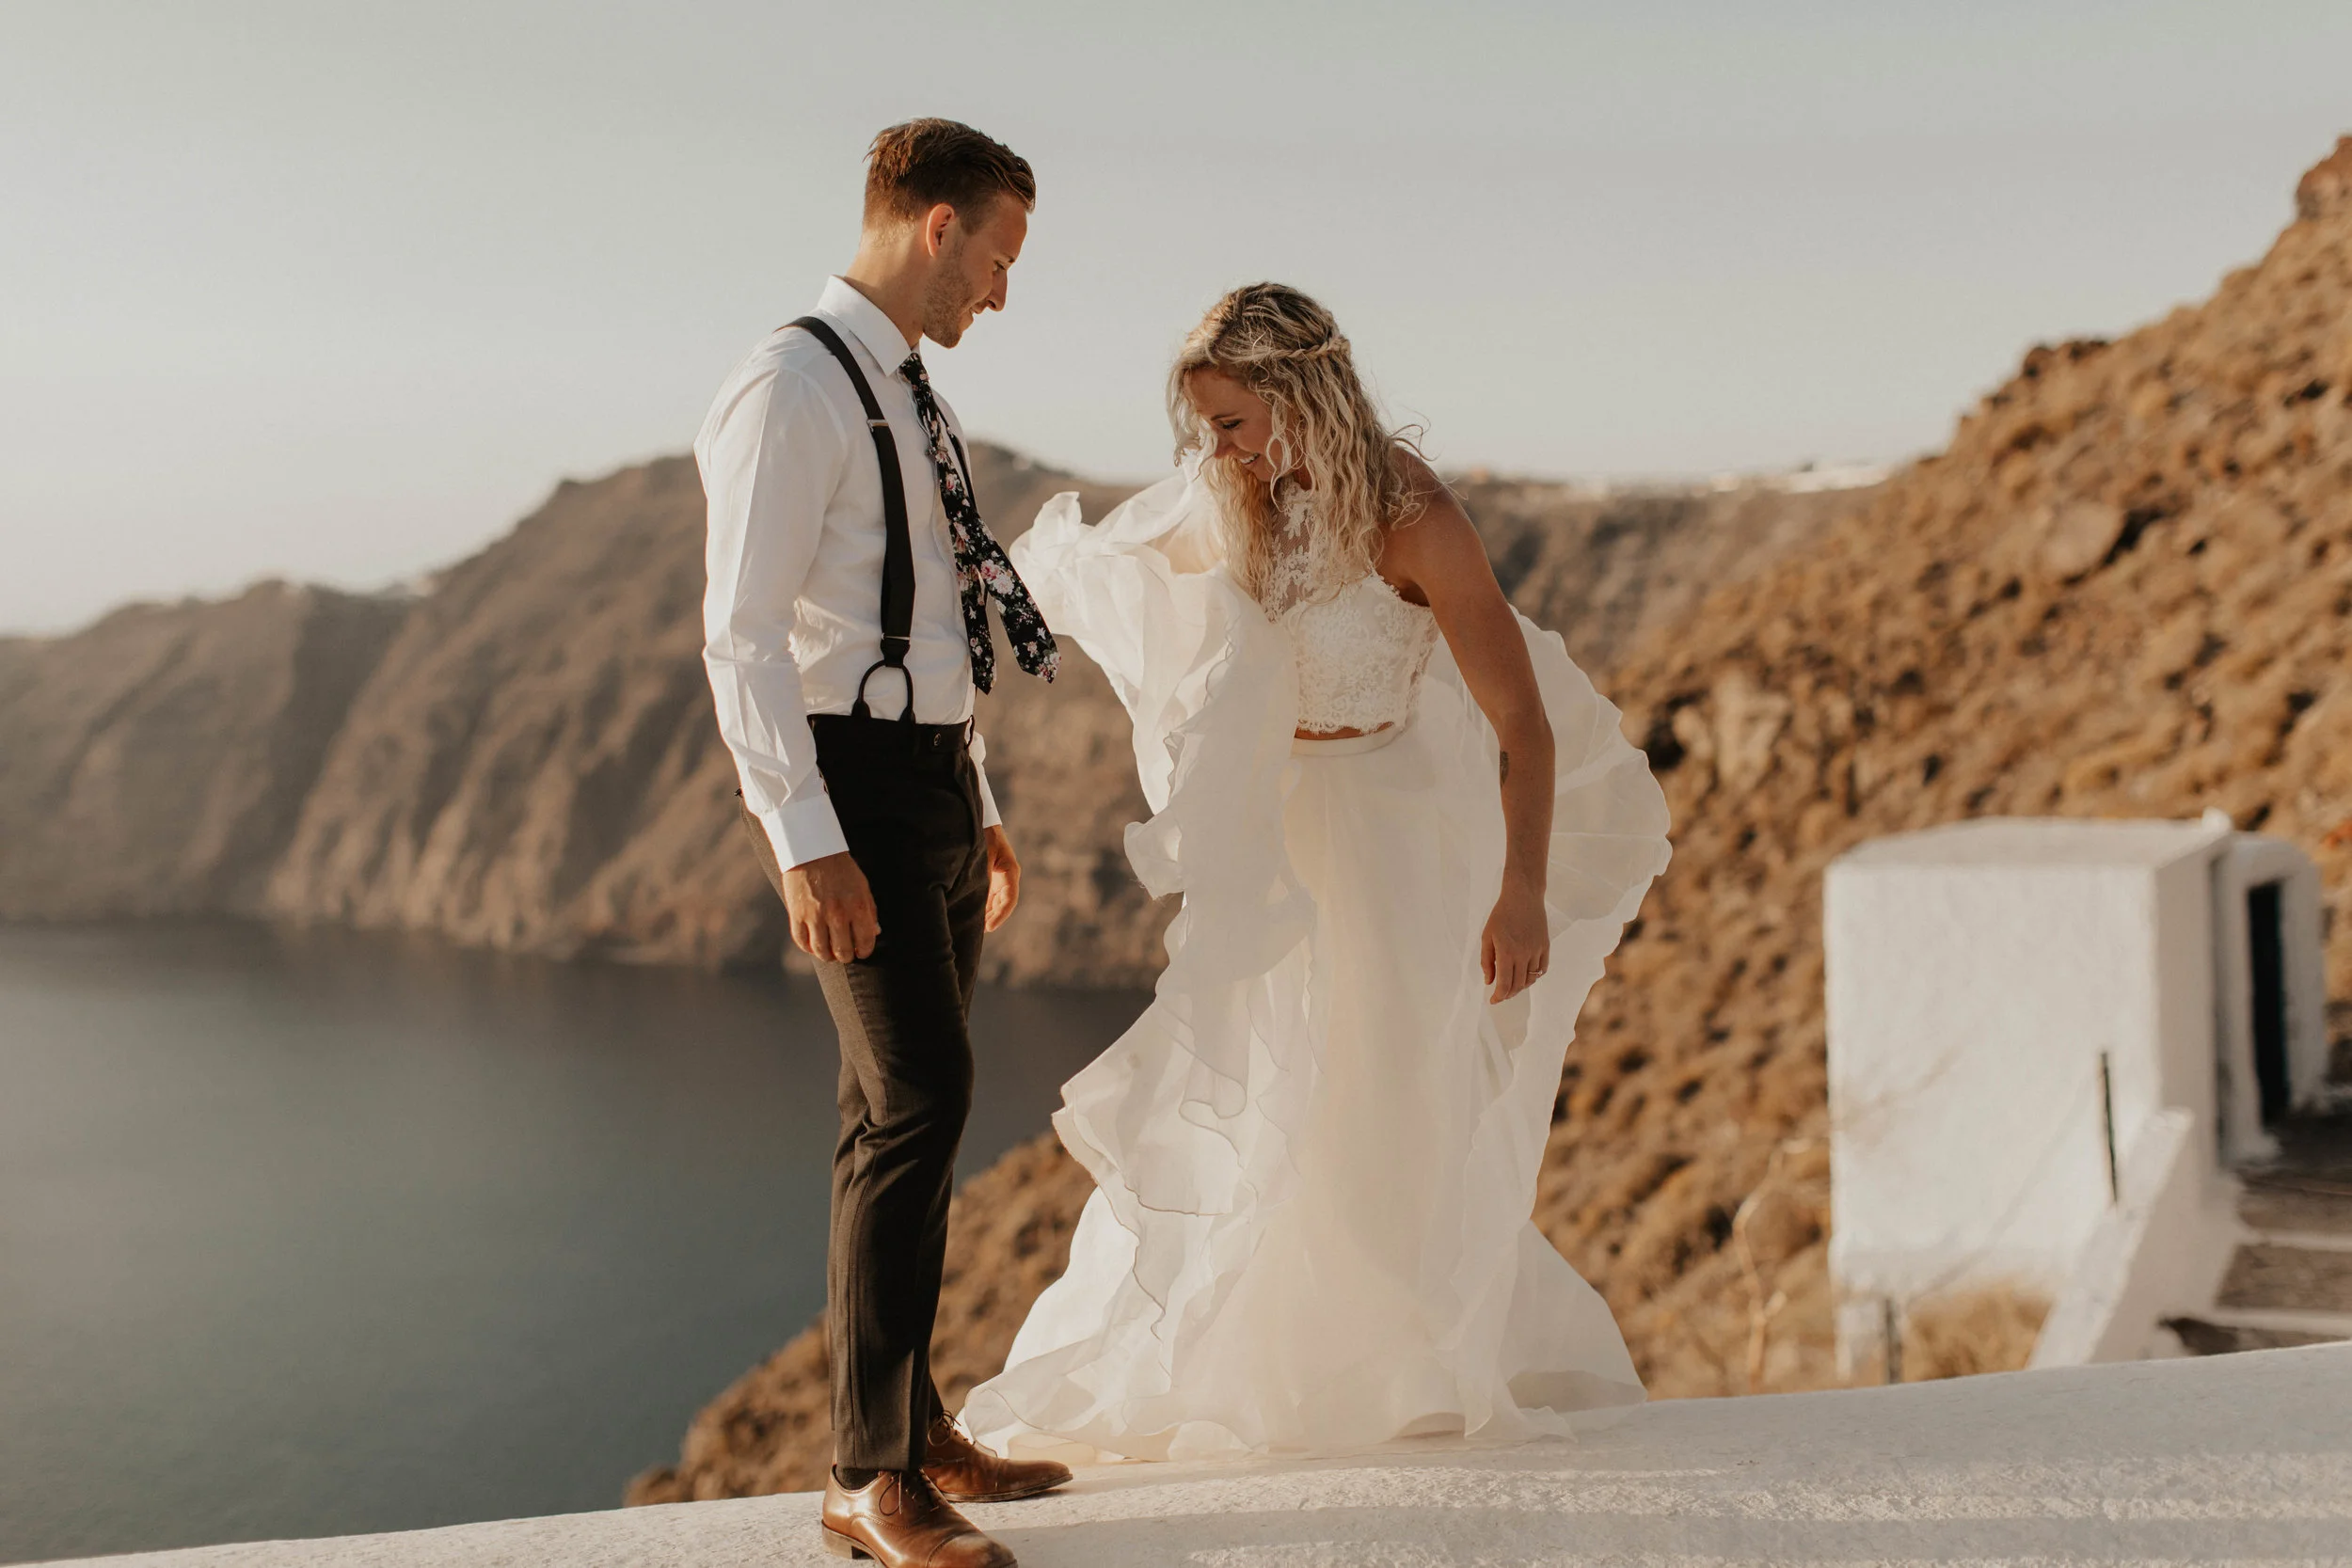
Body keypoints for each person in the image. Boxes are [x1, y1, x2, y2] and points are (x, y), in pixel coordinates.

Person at [960, 283, 1673, 1464]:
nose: (1213, 450)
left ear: (1297, 397)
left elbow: (1524, 726)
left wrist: (1522, 891)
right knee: (1260, 1103)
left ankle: (1397, 1373)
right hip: (1274, 846)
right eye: (1206, 427)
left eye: (1233, 421)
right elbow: (1120, 571)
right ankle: (1249, 1373)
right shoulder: (1240, 492)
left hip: (1391, 845)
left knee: (1383, 1106)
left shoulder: (1417, 520)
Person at [696, 119, 1073, 1568]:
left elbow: (931, 617)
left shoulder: (911, 393)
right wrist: (804, 839)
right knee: (923, 1092)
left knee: (886, 1110)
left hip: (928, 781)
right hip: (843, 784)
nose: (998, 291)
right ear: (934, 225)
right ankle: (867, 1472)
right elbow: (739, 638)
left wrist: (974, 799)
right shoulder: (791, 382)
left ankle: (910, 1424)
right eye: (996, 256)